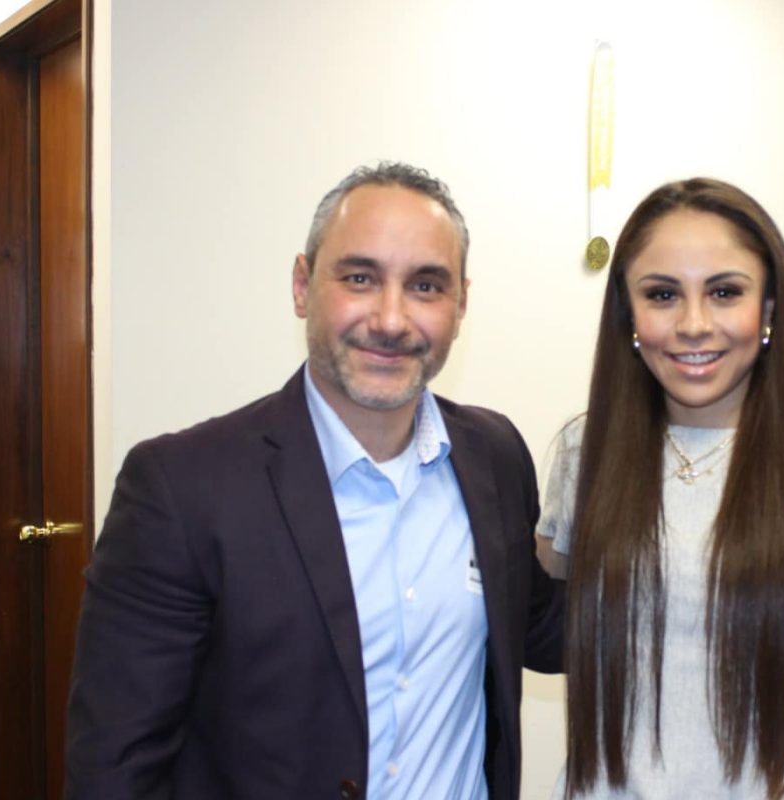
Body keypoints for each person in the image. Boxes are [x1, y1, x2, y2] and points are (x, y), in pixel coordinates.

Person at [66, 162, 563, 800]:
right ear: (302, 286)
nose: (391, 319)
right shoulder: (182, 489)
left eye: (425, 286)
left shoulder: (494, 455)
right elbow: (115, 767)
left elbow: (543, 626)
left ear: (461, 304)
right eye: (360, 278)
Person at [536, 178, 784, 799]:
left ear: (769, 309)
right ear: (629, 314)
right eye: (662, 294)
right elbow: (536, 620)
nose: (693, 324)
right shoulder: (584, 454)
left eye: (725, 292)